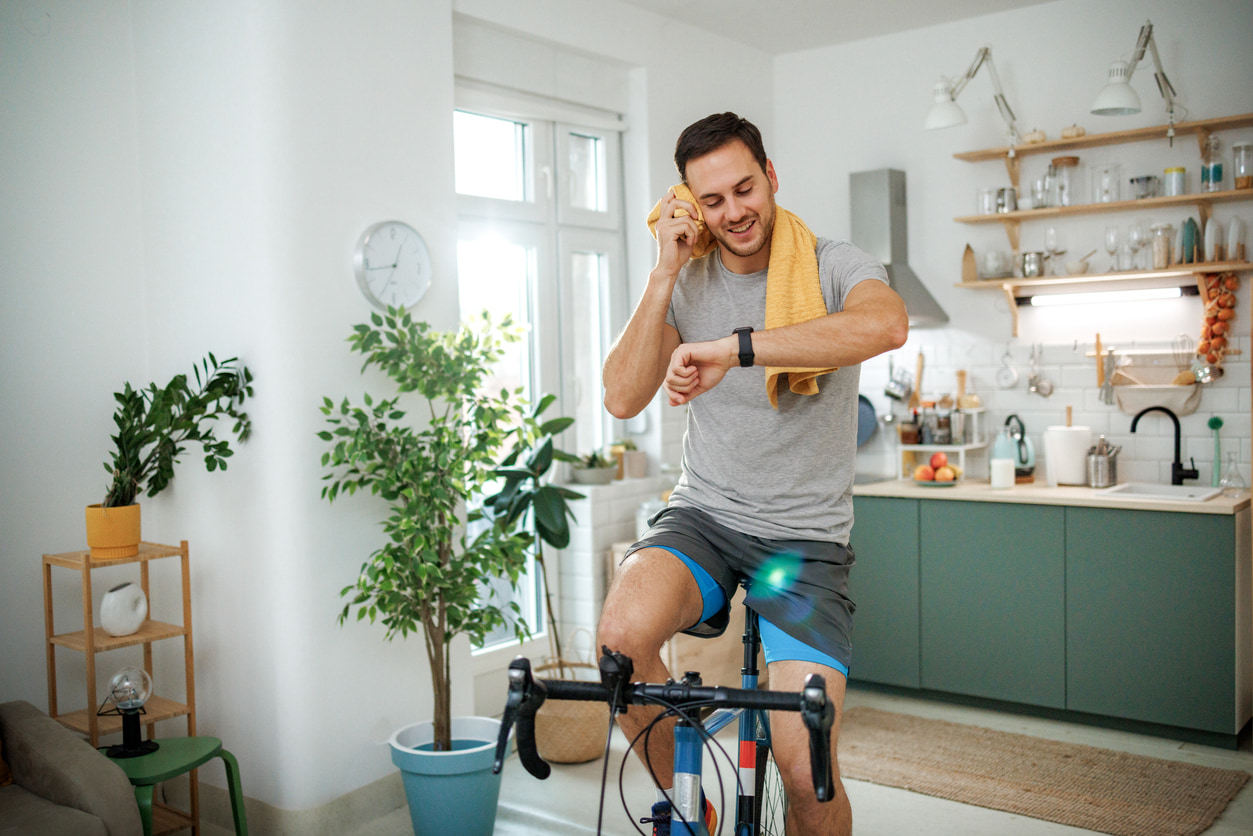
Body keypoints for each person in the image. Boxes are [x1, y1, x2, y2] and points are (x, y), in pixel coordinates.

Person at [598, 112, 909, 835]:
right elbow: (620, 396)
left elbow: (886, 325)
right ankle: (692, 810)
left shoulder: (833, 265)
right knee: (619, 644)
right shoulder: (686, 279)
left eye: (744, 189)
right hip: (703, 519)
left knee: (805, 772)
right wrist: (664, 270)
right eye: (712, 200)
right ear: (690, 205)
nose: (733, 211)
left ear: (770, 177)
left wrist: (734, 348)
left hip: (804, 541)